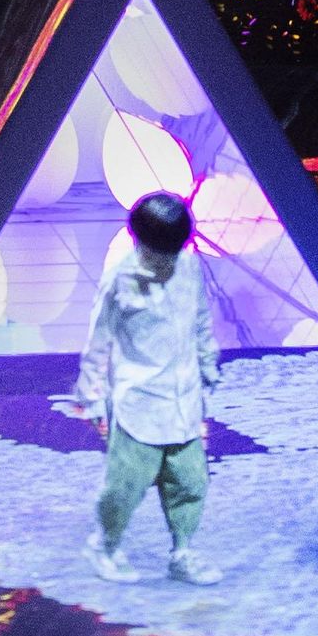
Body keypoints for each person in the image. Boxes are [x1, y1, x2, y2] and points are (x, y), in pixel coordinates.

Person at [66, 191, 221, 586]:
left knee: (190, 482)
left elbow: (200, 320)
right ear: (140, 240)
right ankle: (105, 545)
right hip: (139, 403)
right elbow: (99, 339)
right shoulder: (120, 278)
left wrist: (208, 363)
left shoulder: (189, 268)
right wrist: (90, 396)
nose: (167, 258)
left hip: (184, 400)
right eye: (160, 250)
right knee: (124, 487)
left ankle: (182, 551)